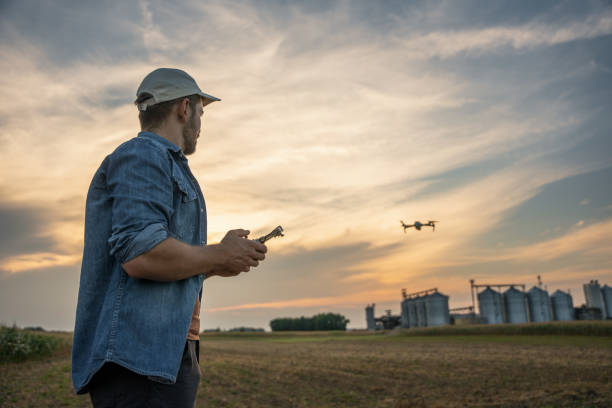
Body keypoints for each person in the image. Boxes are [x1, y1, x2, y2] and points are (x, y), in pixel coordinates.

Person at [71, 68, 267, 407]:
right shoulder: (143, 156)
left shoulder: (162, 163)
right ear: (184, 108)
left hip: (165, 353)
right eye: (201, 113)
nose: (201, 125)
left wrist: (219, 262)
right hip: (138, 362)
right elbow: (141, 255)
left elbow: (156, 262)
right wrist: (218, 254)